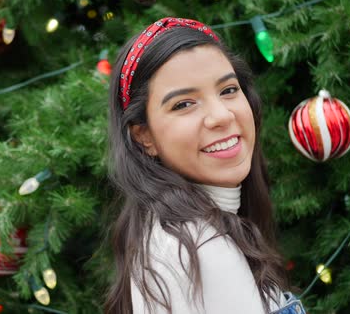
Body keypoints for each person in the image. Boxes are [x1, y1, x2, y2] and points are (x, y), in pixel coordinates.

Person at [103, 18, 307, 314]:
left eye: (228, 90)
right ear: (144, 135)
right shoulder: (198, 248)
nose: (221, 116)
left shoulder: (176, 233)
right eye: (183, 104)